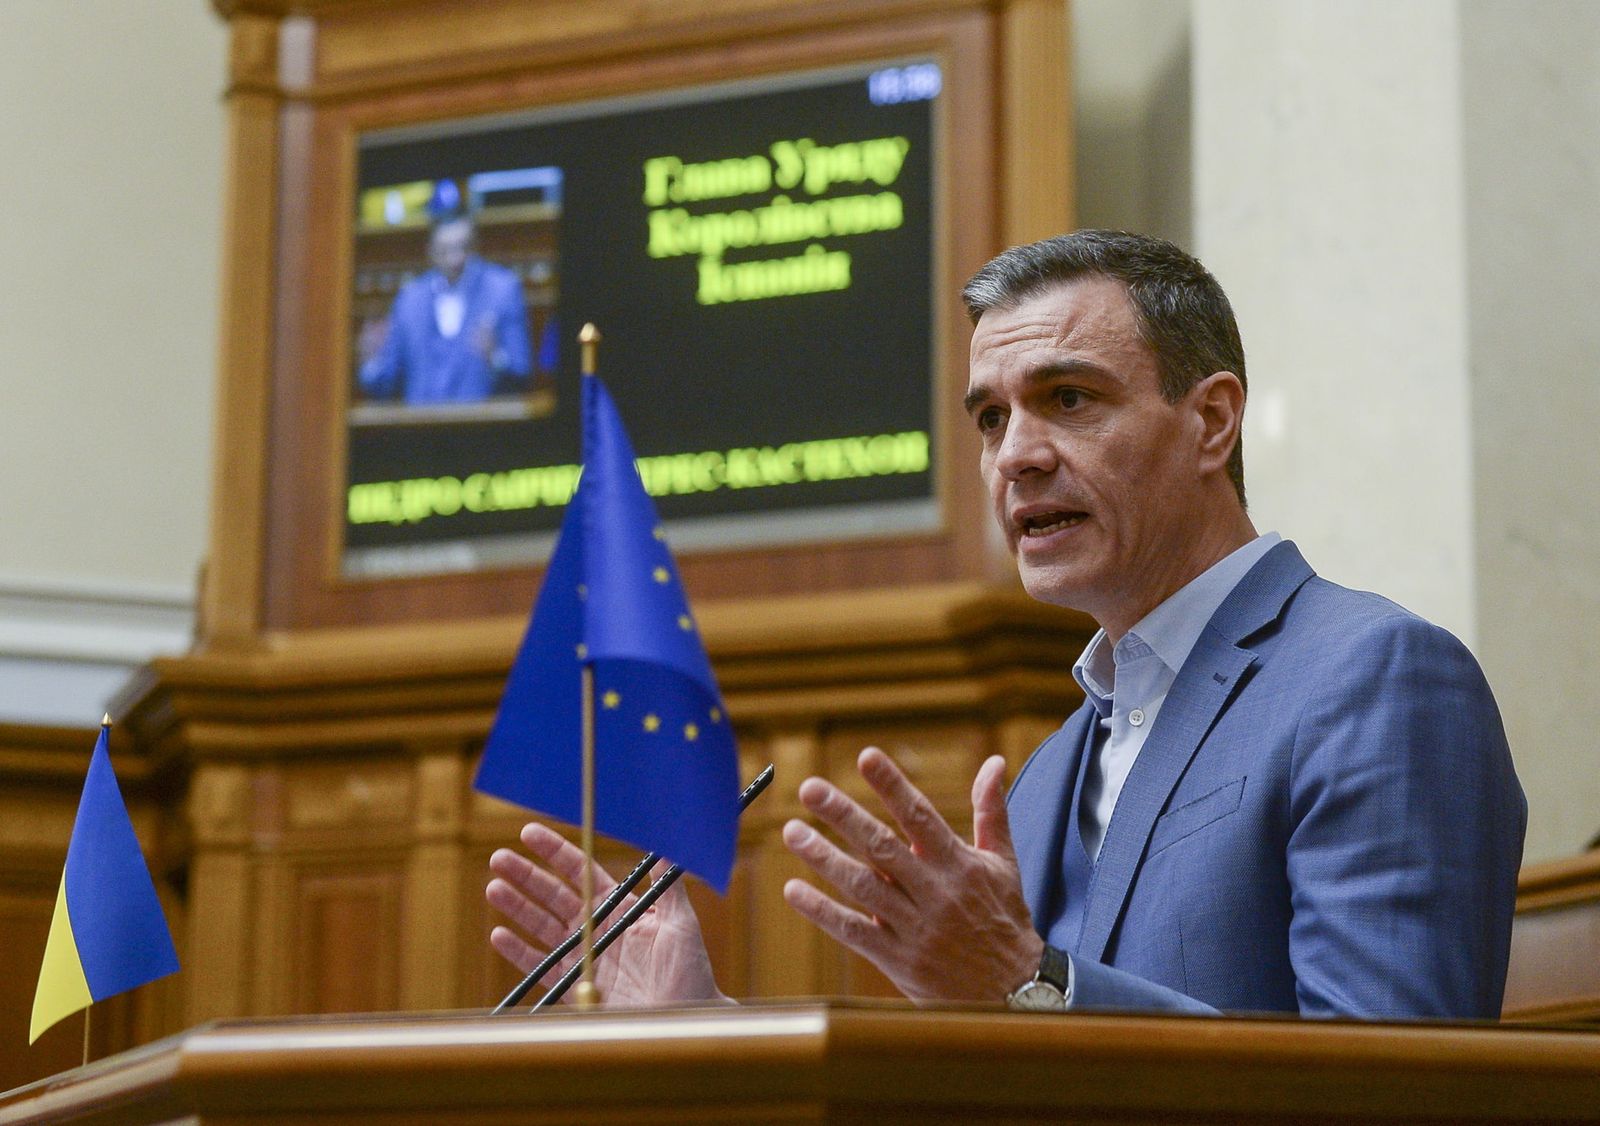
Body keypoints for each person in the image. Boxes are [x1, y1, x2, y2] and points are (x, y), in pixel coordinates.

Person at [485, 230, 1526, 1018]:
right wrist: (705, 1028)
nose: (1015, 456)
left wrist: (1029, 982)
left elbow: (1397, 1086)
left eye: (1068, 399)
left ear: (1210, 421)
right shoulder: (1048, 772)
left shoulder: (1371, 678)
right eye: (992, 417)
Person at [358, 213, 533, 404]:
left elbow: (521, 373)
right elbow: (387, 384)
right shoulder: (410, 299)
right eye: (444, 250)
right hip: (421, 420)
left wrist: (495, 358)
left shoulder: (502, 290)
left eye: (463, 247)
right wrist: (371, 362)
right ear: (431, 251)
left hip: (482, 419)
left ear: (476, 246)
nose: (455, 259)